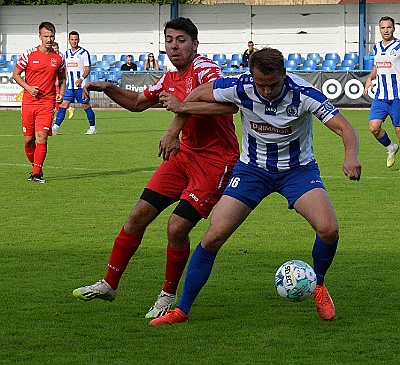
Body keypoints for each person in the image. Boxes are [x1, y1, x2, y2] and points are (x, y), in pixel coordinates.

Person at [151, 47, 362, 326]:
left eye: (273, 84)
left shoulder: (304, 93)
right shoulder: (242, 86)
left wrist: (351, 156)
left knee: (329, 229)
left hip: (297, 172)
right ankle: (182, 309)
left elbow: (345, 128)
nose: (266, 91)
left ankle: (319, 286)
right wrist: (175, 126)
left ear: (284, 75)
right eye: (261, 84)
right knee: (213, 236)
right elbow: (199, 93)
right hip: (252, 172)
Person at [72, 17, 240, 319]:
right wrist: (108, 87)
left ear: (195, 44)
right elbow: (137, 103)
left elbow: (229, 106)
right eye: (169, 40)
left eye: (181, 40)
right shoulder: (168, 77)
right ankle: (109, 284)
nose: (174, 46)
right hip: (183, 157)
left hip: (215, 162)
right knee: (137, 216)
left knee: (176, 228)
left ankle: (167, 295)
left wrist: (175, 123)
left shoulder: (206, 70)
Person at [13, 21, 66, 183]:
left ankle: (36, 174)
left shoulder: (58, 58)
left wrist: (61, 93)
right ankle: (37, 166)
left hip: (46, 103)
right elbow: (16, 74)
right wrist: (28, 88)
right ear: (39, 37)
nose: (49, 39)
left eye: (51, 36)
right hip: (29, 102)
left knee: (41, 136)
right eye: (46, 36)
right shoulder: (29, 55)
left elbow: (63, 78)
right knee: (28, 140)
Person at [363, 16, 400, 168]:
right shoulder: (376, 47)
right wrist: (369, 79)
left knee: (398, 130)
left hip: (398, 96)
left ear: (394, 28)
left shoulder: (399, 46)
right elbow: (377, 66)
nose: (386, 30)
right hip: (381, 96)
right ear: (379, 29)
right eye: (383, 28)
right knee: (374, 127)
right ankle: (391, 147)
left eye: (389, 27)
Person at [52, 31, 96, 135]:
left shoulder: (84, 53)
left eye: (76, 39)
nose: (74, 41)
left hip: (81, 86)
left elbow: (88, 68)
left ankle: (93, 127)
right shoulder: (66, 54)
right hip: (70, 85)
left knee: (85, 106)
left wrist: (81, 78)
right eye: (72, 39)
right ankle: (55, 128)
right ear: (69, 41)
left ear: (78, 40)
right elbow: (65, 69)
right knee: (63, 105)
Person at [52, 42, 74, 119]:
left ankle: (68, 108)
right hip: (54, 78)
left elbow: (64, 68)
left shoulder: (61, 57)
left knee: (58, 96)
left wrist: (60, 79)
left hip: (60, 78)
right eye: (53, 48)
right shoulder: (51, 56)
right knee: (54, 97)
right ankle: (55, 113)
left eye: (56, 48)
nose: (55, 50)